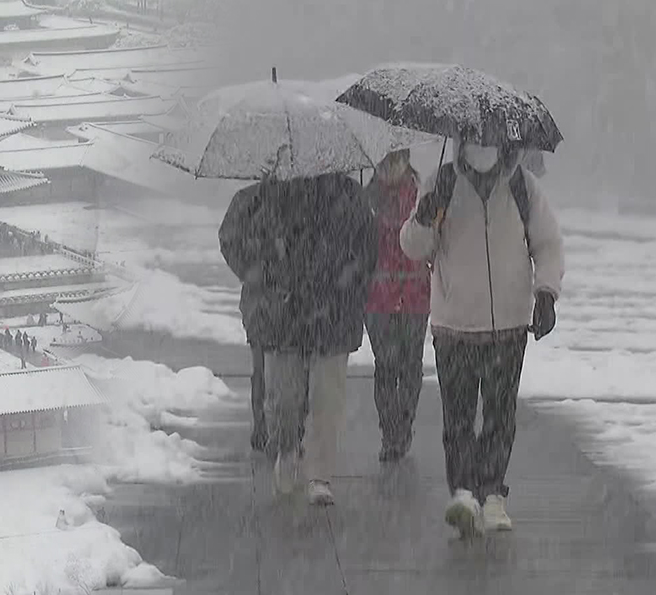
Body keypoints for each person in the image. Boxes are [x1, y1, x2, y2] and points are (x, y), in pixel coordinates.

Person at [401, 142, 564, 538]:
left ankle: (492, 494)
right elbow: (415, 248)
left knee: (499, 416)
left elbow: (547, 243)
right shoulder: (441, 182)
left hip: (507, 325)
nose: (480, 141)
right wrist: (424, 218)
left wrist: (546, 293)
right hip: (453, 325)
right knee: (456, 419)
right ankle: (463, 492)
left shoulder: (523, 187)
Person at [220, 162, 377, 506]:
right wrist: (259, 269)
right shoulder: (262, 196)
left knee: (327, 399)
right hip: (283, 313)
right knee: (283, 398)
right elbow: (231, 238)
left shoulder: (348, 196)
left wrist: (349, 281)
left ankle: (320, 474)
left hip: (333, 312)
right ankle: (287, 447)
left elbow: (368, 250)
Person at [364, 149, 431, 462]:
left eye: (396, 161)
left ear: (407, 162)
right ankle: (390, 432)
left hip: (415, 295)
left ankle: (403, 426)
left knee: (411, 367)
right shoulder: (367, 201)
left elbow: (431, 242)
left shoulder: (422, 199)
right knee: (386, 367)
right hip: (379, 297)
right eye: (384, 163)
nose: (389, 168)